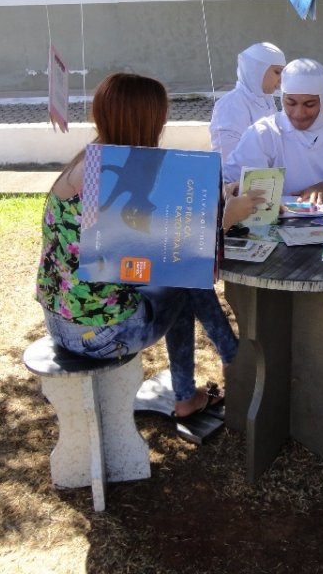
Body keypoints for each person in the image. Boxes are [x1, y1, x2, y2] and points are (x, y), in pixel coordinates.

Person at [35, 73, 263, 419]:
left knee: (177, 283)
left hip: (63, 322)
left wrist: (213, 201)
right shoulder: (116, 178)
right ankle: (232, 365)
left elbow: (142, 243)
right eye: (161, 118)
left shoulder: (92, 162)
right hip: (100, 335)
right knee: (183, 281)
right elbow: (183, 254)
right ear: (147, 122)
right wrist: (227, 217)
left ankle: (217, 372)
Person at [223, 57, 323, 201]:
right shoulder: (263, 134)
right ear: (282, 99)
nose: (299, 113)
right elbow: (230, 185)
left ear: (322, 100)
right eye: (291, 103)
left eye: (309, 104)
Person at [209, 42, 286, 165]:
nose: (281, 79)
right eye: (277, 72)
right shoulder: (231, 104)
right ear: (257, 70)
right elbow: (228, 158)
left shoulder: (267, 101)